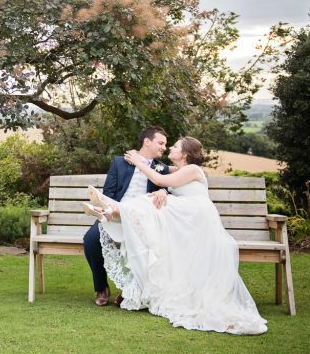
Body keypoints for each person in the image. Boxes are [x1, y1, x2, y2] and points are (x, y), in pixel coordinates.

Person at [85, 136, 268, 335]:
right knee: (149, 202)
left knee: (149, 203)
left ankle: (111, 210)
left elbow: (159, 180)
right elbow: (164, 177)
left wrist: (140, 164)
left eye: (175, 146)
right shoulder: (181, 169)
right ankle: (111, 211)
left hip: (194, 214)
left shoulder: (193, 169)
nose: (169, 148)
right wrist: (158, 184)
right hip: (185, 214)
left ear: (185, 154)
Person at [82, 126, 172, 307]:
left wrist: (163, 190)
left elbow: (169, 187)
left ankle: (129, 291)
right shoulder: (119, 163)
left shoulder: (161, 169)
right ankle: (101, 287)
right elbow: (109, 192)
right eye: (160, 143)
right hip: (115, 213)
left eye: (165, 144)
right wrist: (106, 208)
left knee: (142, 244)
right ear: (147, 141)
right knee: (90, 240)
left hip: (140, 219)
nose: (164, 147)